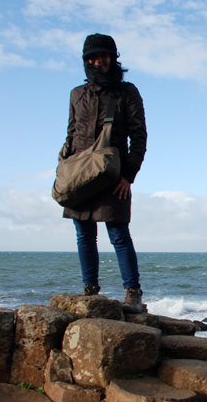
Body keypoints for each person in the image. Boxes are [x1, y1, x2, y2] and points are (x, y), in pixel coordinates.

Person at [61, 33, 148, 313]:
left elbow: (139, 136)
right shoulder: (77, 94)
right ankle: (90, 290)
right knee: (84, 234)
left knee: (119, 234)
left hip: (113, 176)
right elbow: (71, 134)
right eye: (93, 57)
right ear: (86, 60)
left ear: (113, 58)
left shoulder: (126, 92)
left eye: (104, 56)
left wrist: (128, 176)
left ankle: (133, 294)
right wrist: (64, 168)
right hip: (80, 175)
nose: (99, 61)